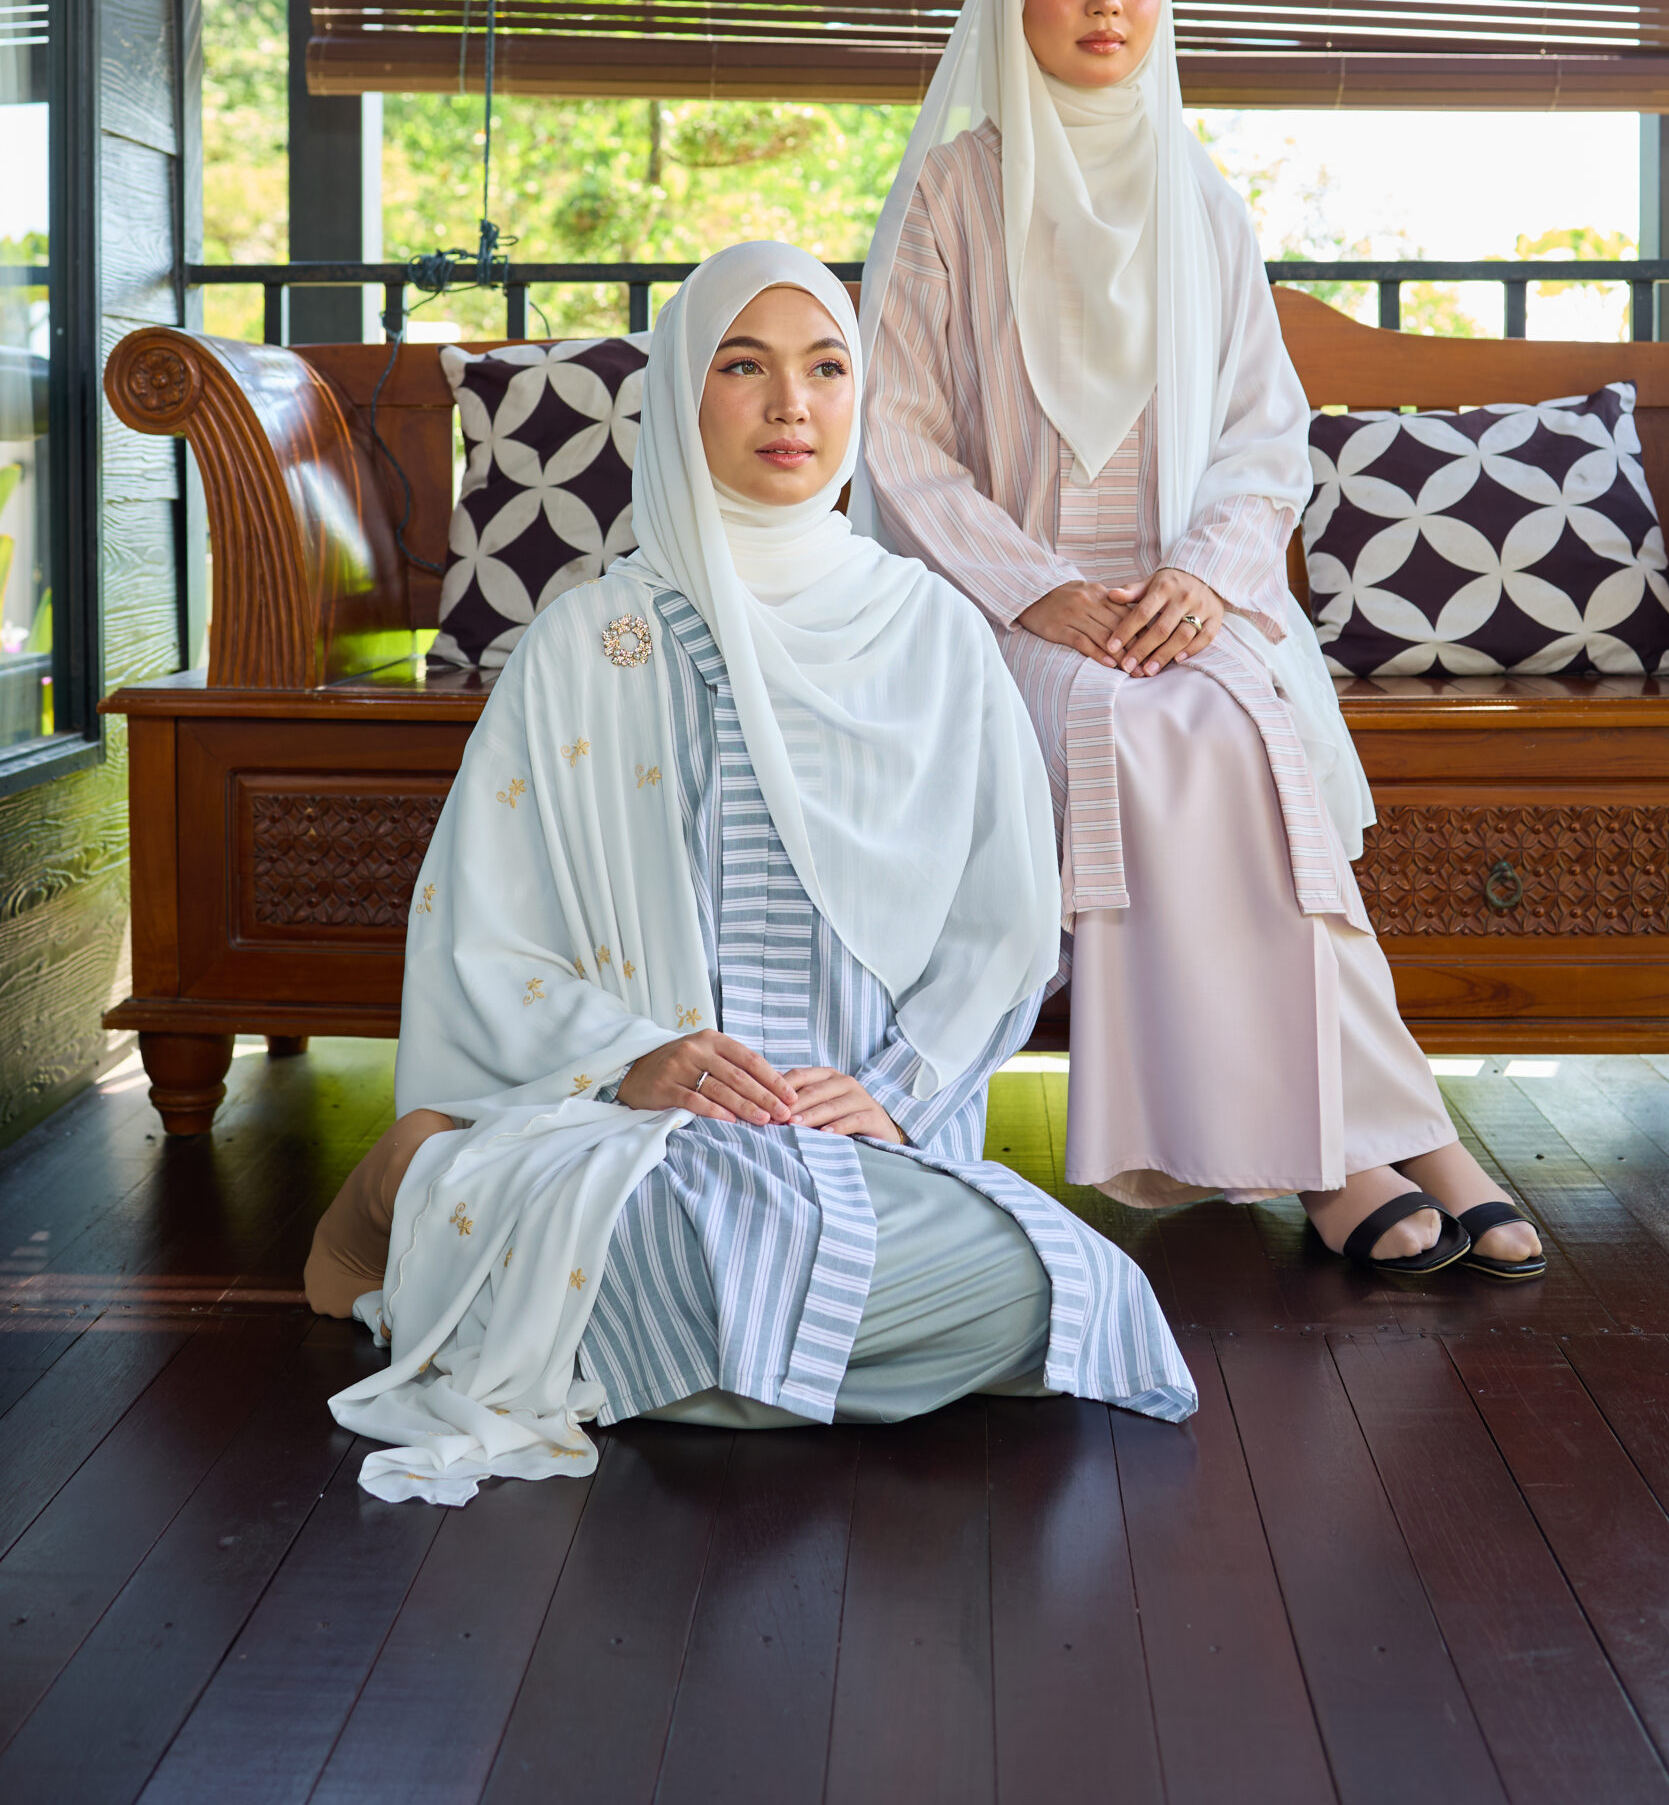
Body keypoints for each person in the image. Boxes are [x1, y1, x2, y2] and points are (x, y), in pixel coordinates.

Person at [310, 240, 1194, 1504]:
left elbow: (1003, 924)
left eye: (827, 368)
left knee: (1047, 1288)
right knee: (671, 1249)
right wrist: (636, 1057)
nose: (792, 404)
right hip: (643, 1142)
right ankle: (432, 1189)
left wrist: (893, 1089)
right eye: (744, 366)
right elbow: (487, 938)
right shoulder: (590, 641)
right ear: (683, 392)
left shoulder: (934, 634)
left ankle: (538, 1279)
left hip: (862, 1144)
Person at [856, 0, 1545, 1280]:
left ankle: (1372, 1140)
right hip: (1007, 605)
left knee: (1235, 719)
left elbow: (1261, 433)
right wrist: (1037, 588)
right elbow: (899, 438)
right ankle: (1361, 1149)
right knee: (1144, 727)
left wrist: (1209, 581)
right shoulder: (952, 193)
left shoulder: (1200, 201)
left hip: (1184, 593)